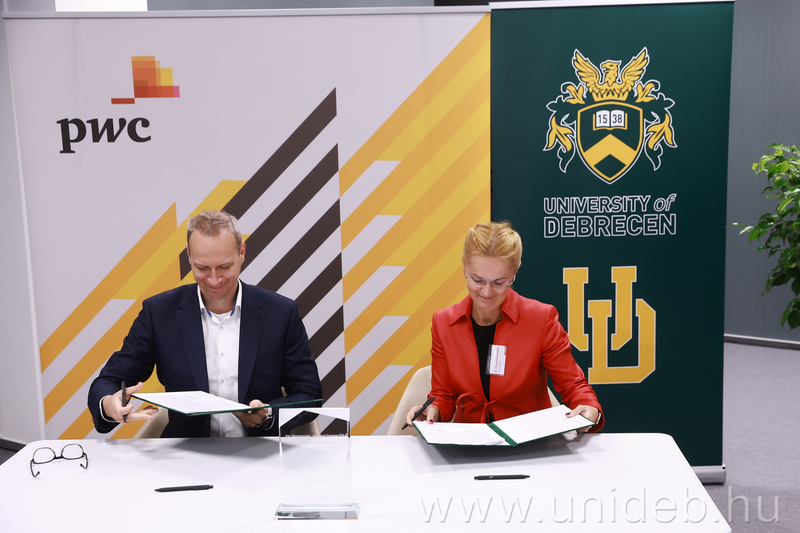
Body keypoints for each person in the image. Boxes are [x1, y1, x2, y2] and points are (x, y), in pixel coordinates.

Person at [88, 210, 322, 437]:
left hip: (262, 453)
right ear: (189, 256)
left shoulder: (281, 313)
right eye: (202, 268)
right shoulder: (158, 313)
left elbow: (309, 393)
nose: (214, 279)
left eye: (224, 267)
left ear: (242, 252)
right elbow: (109, 381)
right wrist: (108, 404)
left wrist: (268, 414)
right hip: (186, 454)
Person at [406, 221, 603, 432]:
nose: (486, 292)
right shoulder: (443, 322)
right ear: (464, 265)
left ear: (514, 272)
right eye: (477, 279)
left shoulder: (541, 319)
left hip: (529, 440)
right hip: (470, 443)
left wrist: (590, 408)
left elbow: (573, 385)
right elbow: (443, 395)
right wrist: (433, 410)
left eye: (499, 282)